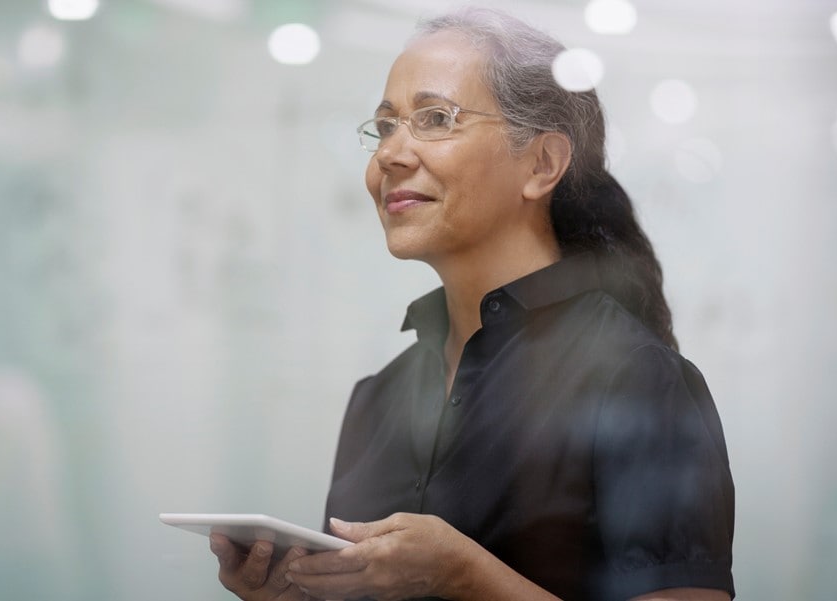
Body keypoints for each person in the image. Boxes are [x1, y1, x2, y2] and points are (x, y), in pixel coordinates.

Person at [210, 7, 734, 601]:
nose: (389, 155)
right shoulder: (377, 399)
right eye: (384, 126)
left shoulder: (637, 377)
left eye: (435, 119)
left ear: (542, 163)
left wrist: (463, 575)